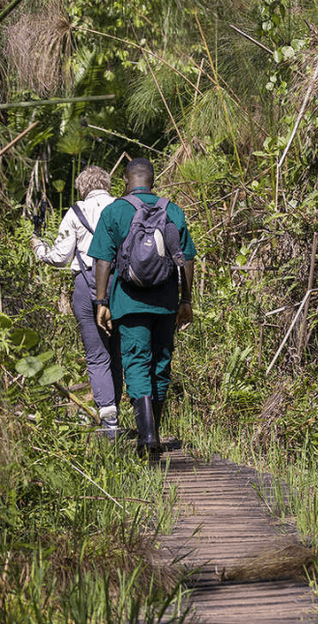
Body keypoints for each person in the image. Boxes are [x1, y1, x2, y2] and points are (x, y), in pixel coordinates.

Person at [88, 158, 195, 458]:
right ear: (153, 179)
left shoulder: (115, 211)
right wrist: (186, 300)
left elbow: (103, 261)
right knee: (161, 363)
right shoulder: (172, 210)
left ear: (125, 180)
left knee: (136, 363)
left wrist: (101, 302)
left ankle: (146, 437)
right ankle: (155, 433)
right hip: (165, 302)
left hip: (128, 302)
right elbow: (186, 258)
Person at [29, 165, 123, 436]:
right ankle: (115, 407)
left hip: (87, 282)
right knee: (116, 353)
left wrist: (39, 249)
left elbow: (60, 257)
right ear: (107, 184)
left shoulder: (76, 212)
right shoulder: (123, 208)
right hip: (119, 284)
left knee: (96, 355)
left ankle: (109, 420)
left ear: (82, 187)